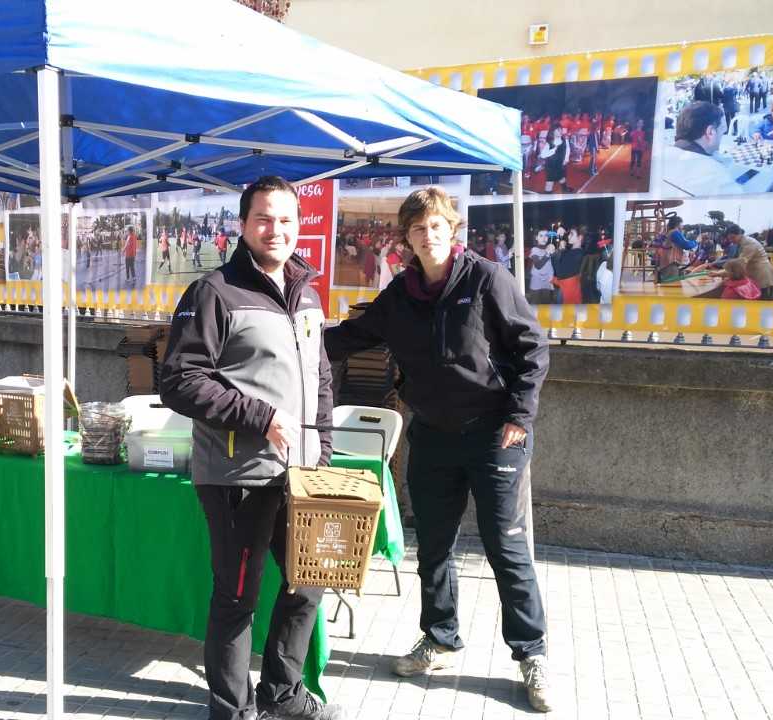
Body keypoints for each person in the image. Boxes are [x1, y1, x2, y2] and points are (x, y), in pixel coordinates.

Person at [323, 186, 552, 714]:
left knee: (506, 550)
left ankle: (531, 653)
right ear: (405, 237)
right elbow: (354, 336)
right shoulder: (400, 294)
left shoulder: (487, 279)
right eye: (418, 228)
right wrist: (297, 339)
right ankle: (440, 639)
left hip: (496, 433)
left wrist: (519, 417)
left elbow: (530, 350)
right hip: (431, 434)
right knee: (434, 548)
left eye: (438, 226)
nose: (429, 235)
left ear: (453, 230)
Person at [160, 176, 341, 720]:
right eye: (264, 218)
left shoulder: (308, 293)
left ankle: (282, 692)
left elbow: (321, 378)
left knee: (308, 582)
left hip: (301, 473)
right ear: (242, 225)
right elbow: (180, 379)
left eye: (286, 219)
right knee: (238, 597)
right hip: (237, 474)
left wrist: (323, 451)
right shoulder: (214, 292)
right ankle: (231, 710)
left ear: (299, 225)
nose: (275, 229)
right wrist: (260, 417)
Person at [662, 101, 744, 196]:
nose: (721, 139)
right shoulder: (716, 176)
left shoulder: (656, 159)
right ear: (710, 133)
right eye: (722, 132)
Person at [539, 127, 572, 194]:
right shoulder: (549, 143)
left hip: (560, 164)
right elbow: (543, 155)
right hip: (551, 165)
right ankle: (547, 197)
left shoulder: (565, 140)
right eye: (558, 130)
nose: (560, 132)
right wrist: (553, 150)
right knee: (549, 183)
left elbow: (567, 149)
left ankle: (565, 189)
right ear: (553, 132)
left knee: (562, 176)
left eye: (560, 130)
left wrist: (566, 159)